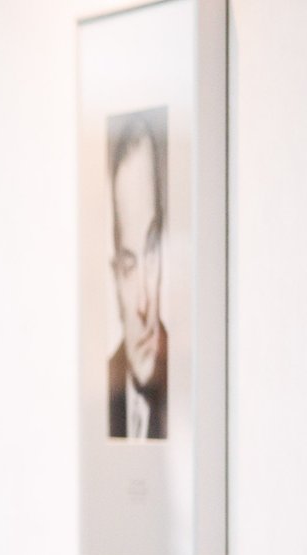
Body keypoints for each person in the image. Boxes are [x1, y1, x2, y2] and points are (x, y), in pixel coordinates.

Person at [107, 109, 168, 440]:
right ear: (115, 277)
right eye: (130, 266)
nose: (144, 302)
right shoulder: (103, 387)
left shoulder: (185, 382)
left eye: (153, 251)